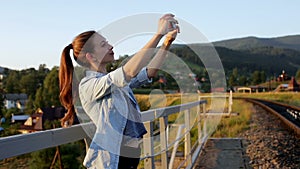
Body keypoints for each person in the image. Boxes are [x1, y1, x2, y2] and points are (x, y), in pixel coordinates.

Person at [59, 13, 179, 169]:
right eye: (103, 45)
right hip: (114, 161)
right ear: (90, 56)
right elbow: (129, 71)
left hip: (130, 157)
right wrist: (158, 35)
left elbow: (149, 72)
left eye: (107, 42)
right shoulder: (88, 85)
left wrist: (167, 42)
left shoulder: (113, 82)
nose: (110, 46)